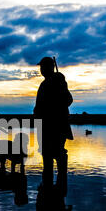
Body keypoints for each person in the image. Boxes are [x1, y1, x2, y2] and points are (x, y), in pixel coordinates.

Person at [33, 57, 73, 196]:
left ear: (50, 67)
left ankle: (58, 194)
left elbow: (68, 100)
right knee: (47, 158)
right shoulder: (46, 83)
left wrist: (60, 83)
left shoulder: (59, 82)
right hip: (45, 128)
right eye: (41, 67)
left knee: (57, 155)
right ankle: (48, 193)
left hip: (55, 127)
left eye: (43, 67)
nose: (41, 70)